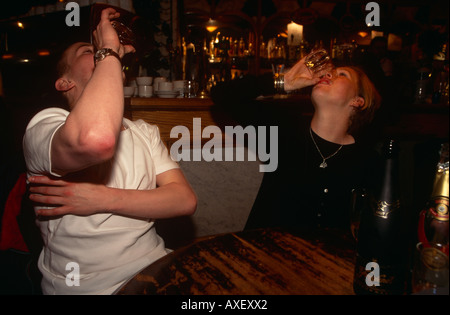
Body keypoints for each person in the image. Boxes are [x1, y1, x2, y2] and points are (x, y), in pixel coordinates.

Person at [22, 8, 197, 294]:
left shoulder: (144, 130)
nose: (103, 51)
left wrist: (103, 198)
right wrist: (108, 52)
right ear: (65, 82)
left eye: (102, 49)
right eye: (88, 51)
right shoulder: (45, 125)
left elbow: (184, 200)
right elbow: (95, 139)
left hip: (155, 266)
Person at [211, 55, 381, 233]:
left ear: (358, 101)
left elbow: (372, 229)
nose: (329, 75)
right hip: (265, 254)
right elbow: (221, 94)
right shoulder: (284, 128)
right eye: (330, 73)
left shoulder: (368, 161)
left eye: (342, 74)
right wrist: (285, 81)